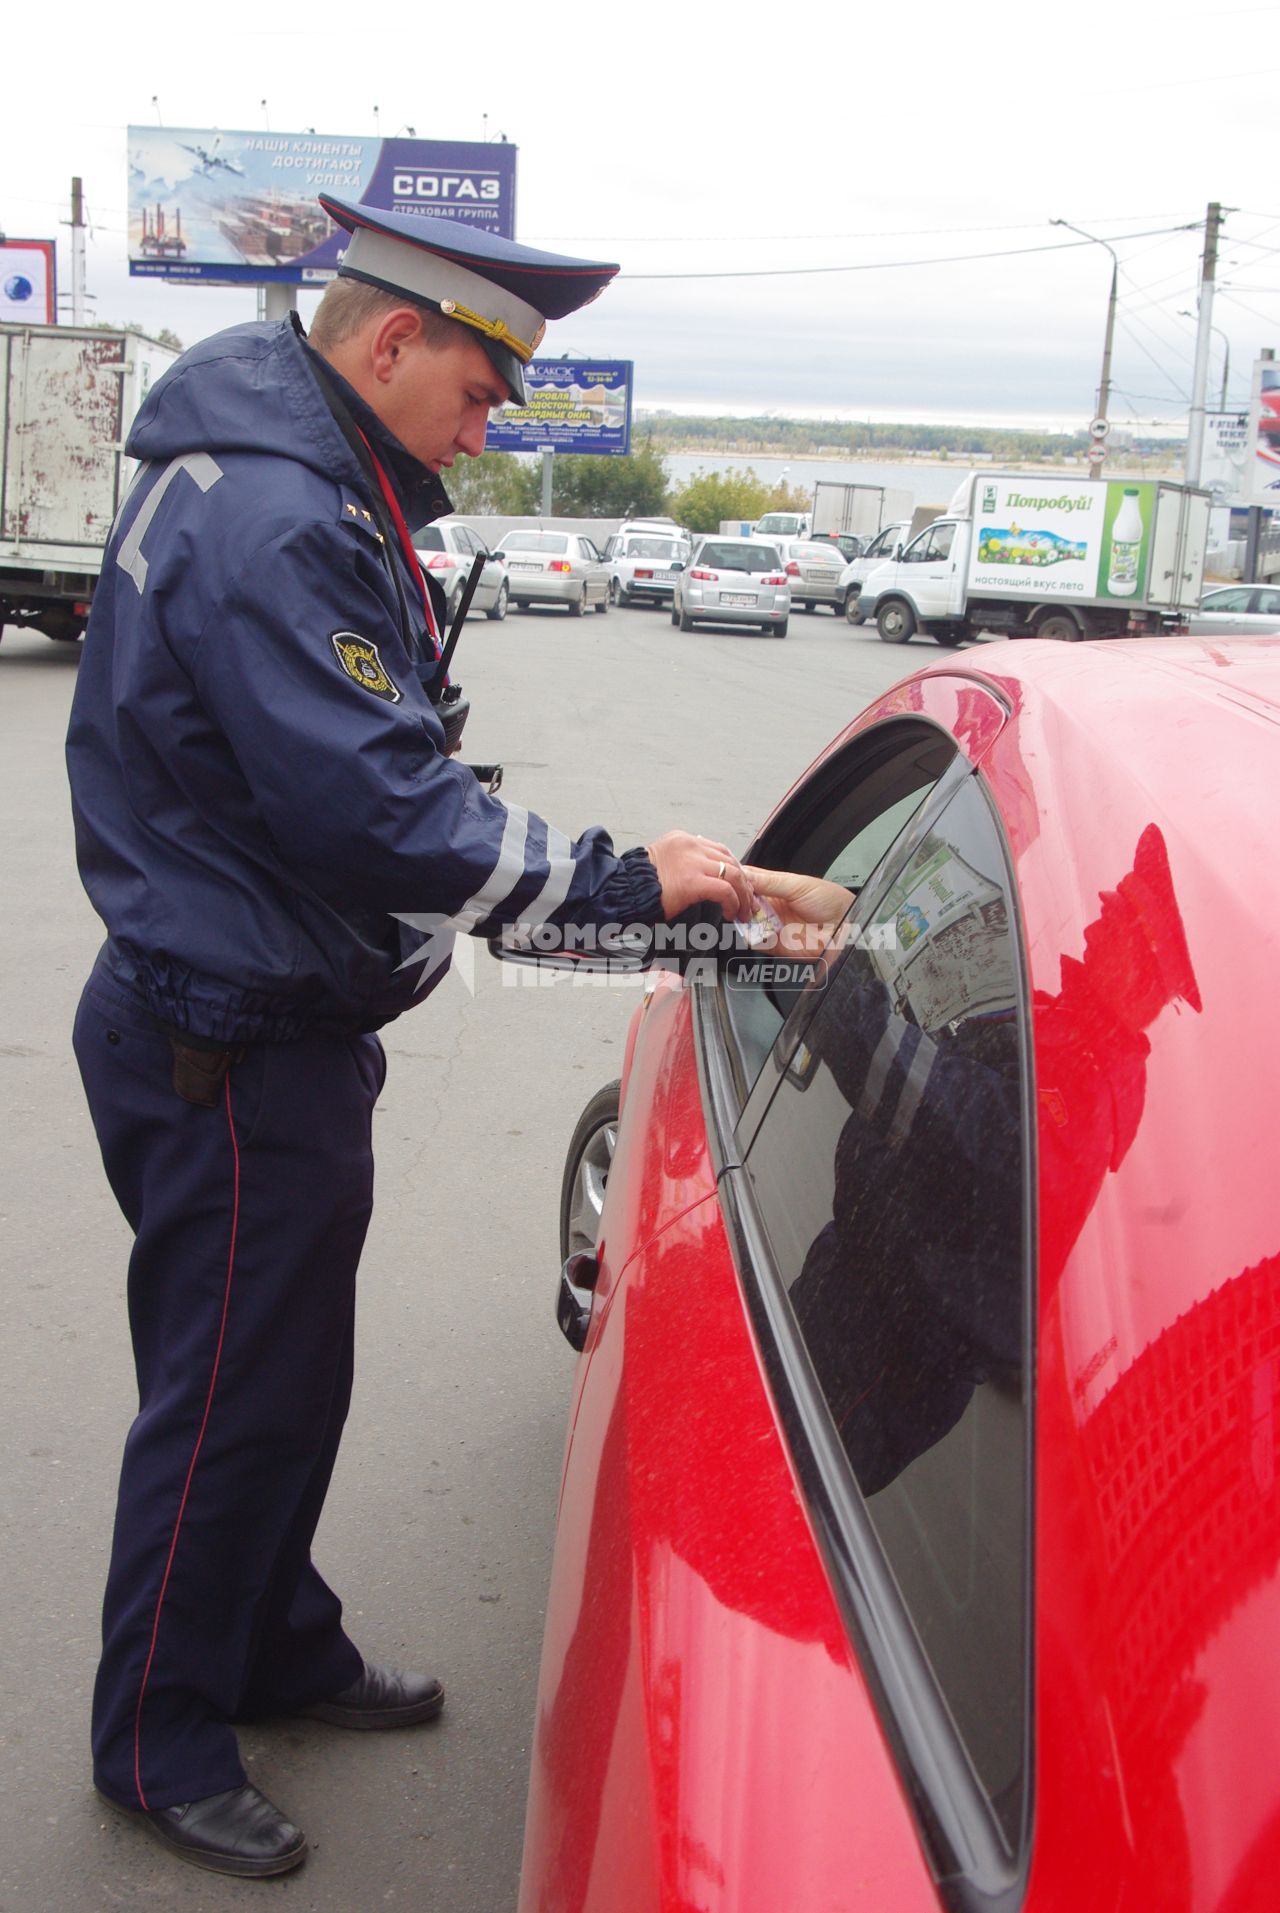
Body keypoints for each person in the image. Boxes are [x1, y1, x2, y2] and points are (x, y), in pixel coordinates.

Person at [65, 196, 757, 1880]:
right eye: (484, 377)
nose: (495, 412)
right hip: (225, 1040)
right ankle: (155, 1729)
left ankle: (275, 1636)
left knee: (283, 1379)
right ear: (392, 340)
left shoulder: (268, 437)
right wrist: (631, 890)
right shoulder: (288, 522)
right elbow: (388, 813)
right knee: (229, 1398)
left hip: (261, 1015)